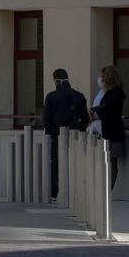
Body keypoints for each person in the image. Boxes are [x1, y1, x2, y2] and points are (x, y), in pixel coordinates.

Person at [42, 68, 89, 202]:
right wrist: (79, 130)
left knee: (56, 163)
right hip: (75, 135)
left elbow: (47, 119)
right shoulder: (79, 96)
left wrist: (50, 133)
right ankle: (75, 192)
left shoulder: (51, 97)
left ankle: (56, 193)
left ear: (56, 80)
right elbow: (85, 118)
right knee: (74, 163)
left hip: (57, 135)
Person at [89, 64, 126, 190]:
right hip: (107, 131)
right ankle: (104, 190)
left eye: (102, 77)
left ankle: (107, 191)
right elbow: (103, 107)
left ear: (108, 78)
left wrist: (96, 112)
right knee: (106, 162)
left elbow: (107, 109)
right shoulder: (109, 92)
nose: (101, 79)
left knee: (111, 162)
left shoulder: (116, 93)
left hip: (112, 132)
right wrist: (95, 110)